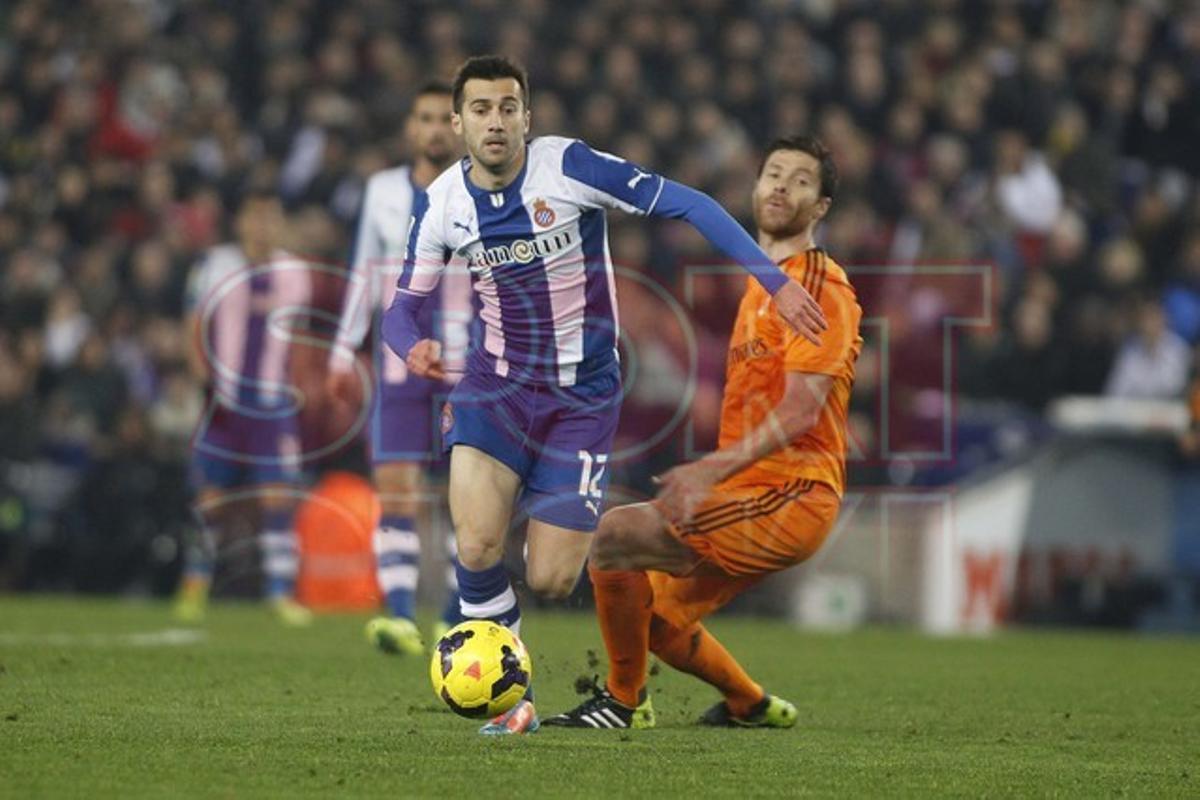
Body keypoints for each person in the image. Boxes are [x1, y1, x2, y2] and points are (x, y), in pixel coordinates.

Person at [382, 56, 826, 735]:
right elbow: (401, 309)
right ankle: (512, 695)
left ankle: (554, 675)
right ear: (458, 123)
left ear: (527, 117)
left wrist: (774, 279)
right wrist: (410, 345)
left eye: (507, 108)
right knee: (475, 544)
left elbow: (691, 203)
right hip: (494, 389)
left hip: (579, 402)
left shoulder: (570, 168)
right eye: (480, 110)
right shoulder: (441, 203)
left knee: (554, 577)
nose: (495, 122)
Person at [546, 135, 862, 730]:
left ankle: (622, 702)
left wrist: (708, 469)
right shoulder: (763, 286)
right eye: (773, 173)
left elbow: (800, 412)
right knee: (657, 620)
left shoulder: (818, 286)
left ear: (820, 207)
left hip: (791, 494)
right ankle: (751, 704)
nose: (780, 186)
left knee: (614, 536)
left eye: (800, 180)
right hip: (753, 491)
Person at [327, 82, 471, 655]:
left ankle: (456, 615)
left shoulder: (479, 188)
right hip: (397, 361)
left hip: (467, 362)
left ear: (456, 127)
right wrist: (341, 352)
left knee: (469, 494)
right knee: (396, 487)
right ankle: (402, 617)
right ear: (412, 128)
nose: (435, 128)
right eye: (426, 118)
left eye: (444, 119)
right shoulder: (383, 190)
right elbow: (364, 271)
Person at [174, 190, 314, 626]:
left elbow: (302, 334)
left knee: (278, 496)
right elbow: (194, 324)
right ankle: (194, 587)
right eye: (256, 217)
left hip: (273, 404)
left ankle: (279, 592)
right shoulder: (216, 264)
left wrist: (301, 383)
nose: (263, 226)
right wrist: (201, 374)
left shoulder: (295, 272)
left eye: (270, 218)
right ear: (241, 223)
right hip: (226, 399)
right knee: (210, 499)